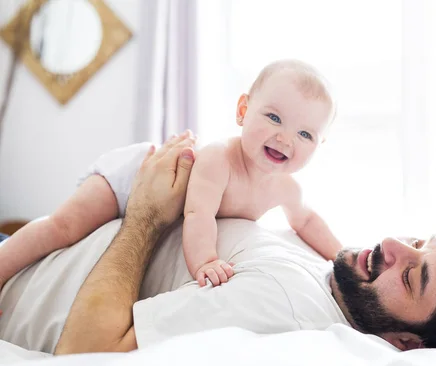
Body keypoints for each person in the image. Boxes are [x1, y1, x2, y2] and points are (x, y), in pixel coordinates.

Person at [7, 134, 436, 355]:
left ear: (405, 341)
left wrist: (146, 215)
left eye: (410, 276)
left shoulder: (281, 302)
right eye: (418, 242)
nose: (392, 245)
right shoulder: (329, 273)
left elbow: (88, 354)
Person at [0, 59, 341, 293]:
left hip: (155, 204)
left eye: (305, 135)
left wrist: (341, 255)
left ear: (320, 144)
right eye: (274, 118)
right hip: (132, 178)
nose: (285, 139)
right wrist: (206, 261)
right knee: (65, 226)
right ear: (242, 111)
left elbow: (307, 222)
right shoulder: (219, 159)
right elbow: (198, 214)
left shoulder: (286, 188)